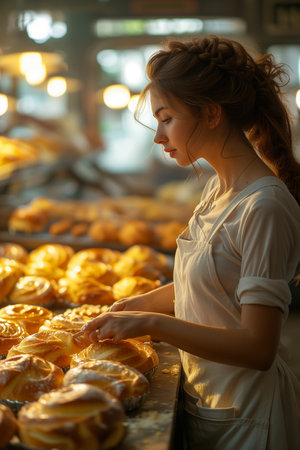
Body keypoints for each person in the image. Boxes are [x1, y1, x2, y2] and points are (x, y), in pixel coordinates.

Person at [82, 35, 300, 449]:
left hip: (248, 419)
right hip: (212, 406)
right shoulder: (219, 189)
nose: (158, 136)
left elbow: (258, 347)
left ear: (212, 113)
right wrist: (140, 304)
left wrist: (152, 323)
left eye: (166, 118)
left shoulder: (263, 205)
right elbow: (216, 284)